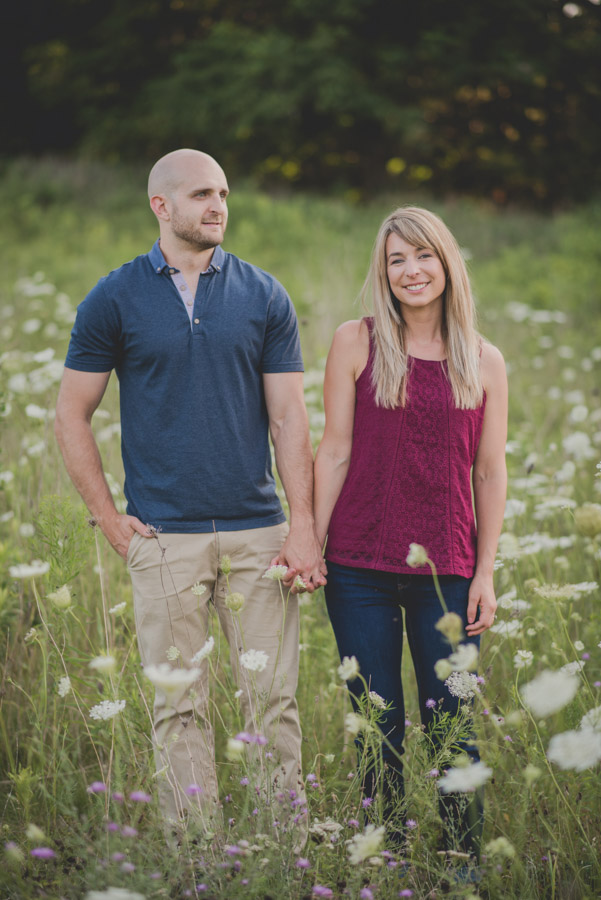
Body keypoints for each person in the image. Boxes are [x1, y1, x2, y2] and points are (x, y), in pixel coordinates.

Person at [55, 149, 325, 840]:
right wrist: (109, 519)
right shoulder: (114, 297)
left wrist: (303, 527)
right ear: (161, 206)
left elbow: (289, 416)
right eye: (202, 194)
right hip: (163, 538)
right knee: (178, 707)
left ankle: (286, 852)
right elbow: (70, 414)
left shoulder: (263, 294)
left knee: (273, 703)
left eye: (224, 193)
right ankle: (196, 860)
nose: (218, 206)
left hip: (258, 533)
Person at [314, 206, 507, 860]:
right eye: (396, 259)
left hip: (445, 572)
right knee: (378, 727)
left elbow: (487, 470)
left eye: (421, 256)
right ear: (383, 270)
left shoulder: (483, 360)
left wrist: (484, 572)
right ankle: (386, 859)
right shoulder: (355, 341)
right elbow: (334, 449)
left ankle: (460, 867)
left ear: (445, 263)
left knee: (452, 726)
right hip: (357, 567)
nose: (410, 271)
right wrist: (309, 544)